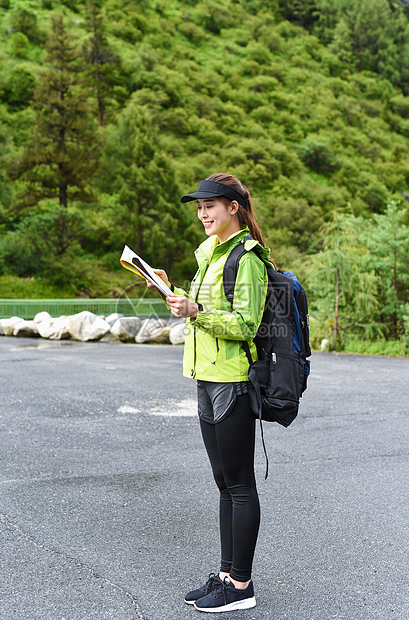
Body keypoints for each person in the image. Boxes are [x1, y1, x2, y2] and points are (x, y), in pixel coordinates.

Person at [148, 173, 273, 613]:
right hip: (205, 374)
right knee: (224, 484)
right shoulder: (211, 254)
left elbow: (245, 324)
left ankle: (242, 586)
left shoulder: (248, 260)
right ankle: (225, 574)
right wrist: (173, 292)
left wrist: (195, 310)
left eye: (210, 206)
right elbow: (207, 310)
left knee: (240, 485)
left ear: (232, 208)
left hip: (234, 378)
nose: (202, 214)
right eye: (198, 207)